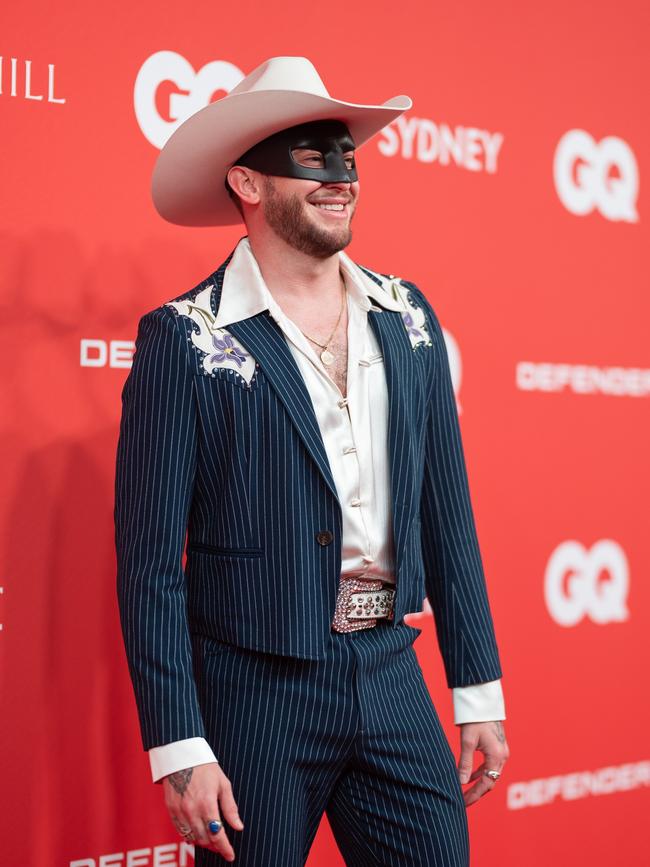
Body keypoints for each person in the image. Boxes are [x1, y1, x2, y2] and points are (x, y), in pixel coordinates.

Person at [115, 56, 509, 866]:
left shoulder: (409, 317)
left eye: (348, 158)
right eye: (311, 157)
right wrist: (179, 745)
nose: (340, 177)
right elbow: (150, 563)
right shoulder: (185, 337)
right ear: (248, 184)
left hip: (389, 670)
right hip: (256, 694)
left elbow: (448, 512)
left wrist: (477, 688)